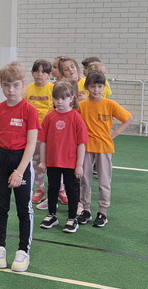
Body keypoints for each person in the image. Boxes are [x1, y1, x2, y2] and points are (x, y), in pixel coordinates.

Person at [0, 62, 39, 272]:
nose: (11, 90)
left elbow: (31, 144)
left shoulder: (30, 111)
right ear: (1, 85)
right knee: (0, 207)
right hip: (0, 160)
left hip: (20, 160)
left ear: (23, 84)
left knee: (24, 208)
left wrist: (20, 171)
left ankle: (23, 250)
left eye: (15, 85)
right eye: (6, 85)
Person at [77, 68, 132, 227]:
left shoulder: (110, 104)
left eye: (99, 86)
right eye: (93, 86)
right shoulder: (82, 106)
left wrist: (114, 133)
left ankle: (102, 212)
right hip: (86, 148)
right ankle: (86, 210)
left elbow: (128, 118)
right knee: (85, 180)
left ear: (104, 87)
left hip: (104, 147)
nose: (96, 90)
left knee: (104, 181)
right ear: (87, 87)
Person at [37, 80, 86, 234]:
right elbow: (43, 141)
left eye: (63, 98)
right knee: (52, 188)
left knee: (72, 190)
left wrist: (79, 165)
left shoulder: (76, 118)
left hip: (71, 163)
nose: (59, 102)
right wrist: (43, 161)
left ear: (71, 98)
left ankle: (72, 218)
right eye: (56, 98)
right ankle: (52, 215)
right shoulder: (49, 117)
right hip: (53, 162)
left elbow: (81, 144)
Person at [25, 59, 54, 206]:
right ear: (32, 72)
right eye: (37, 71)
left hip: (50, 131)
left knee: (54, 162)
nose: (40, 74)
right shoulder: (27, 90)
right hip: (33, 131)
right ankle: (40, 189)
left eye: (43, 72)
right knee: (36, 162)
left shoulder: (53, 89)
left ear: (49, 74)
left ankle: (60, 189)